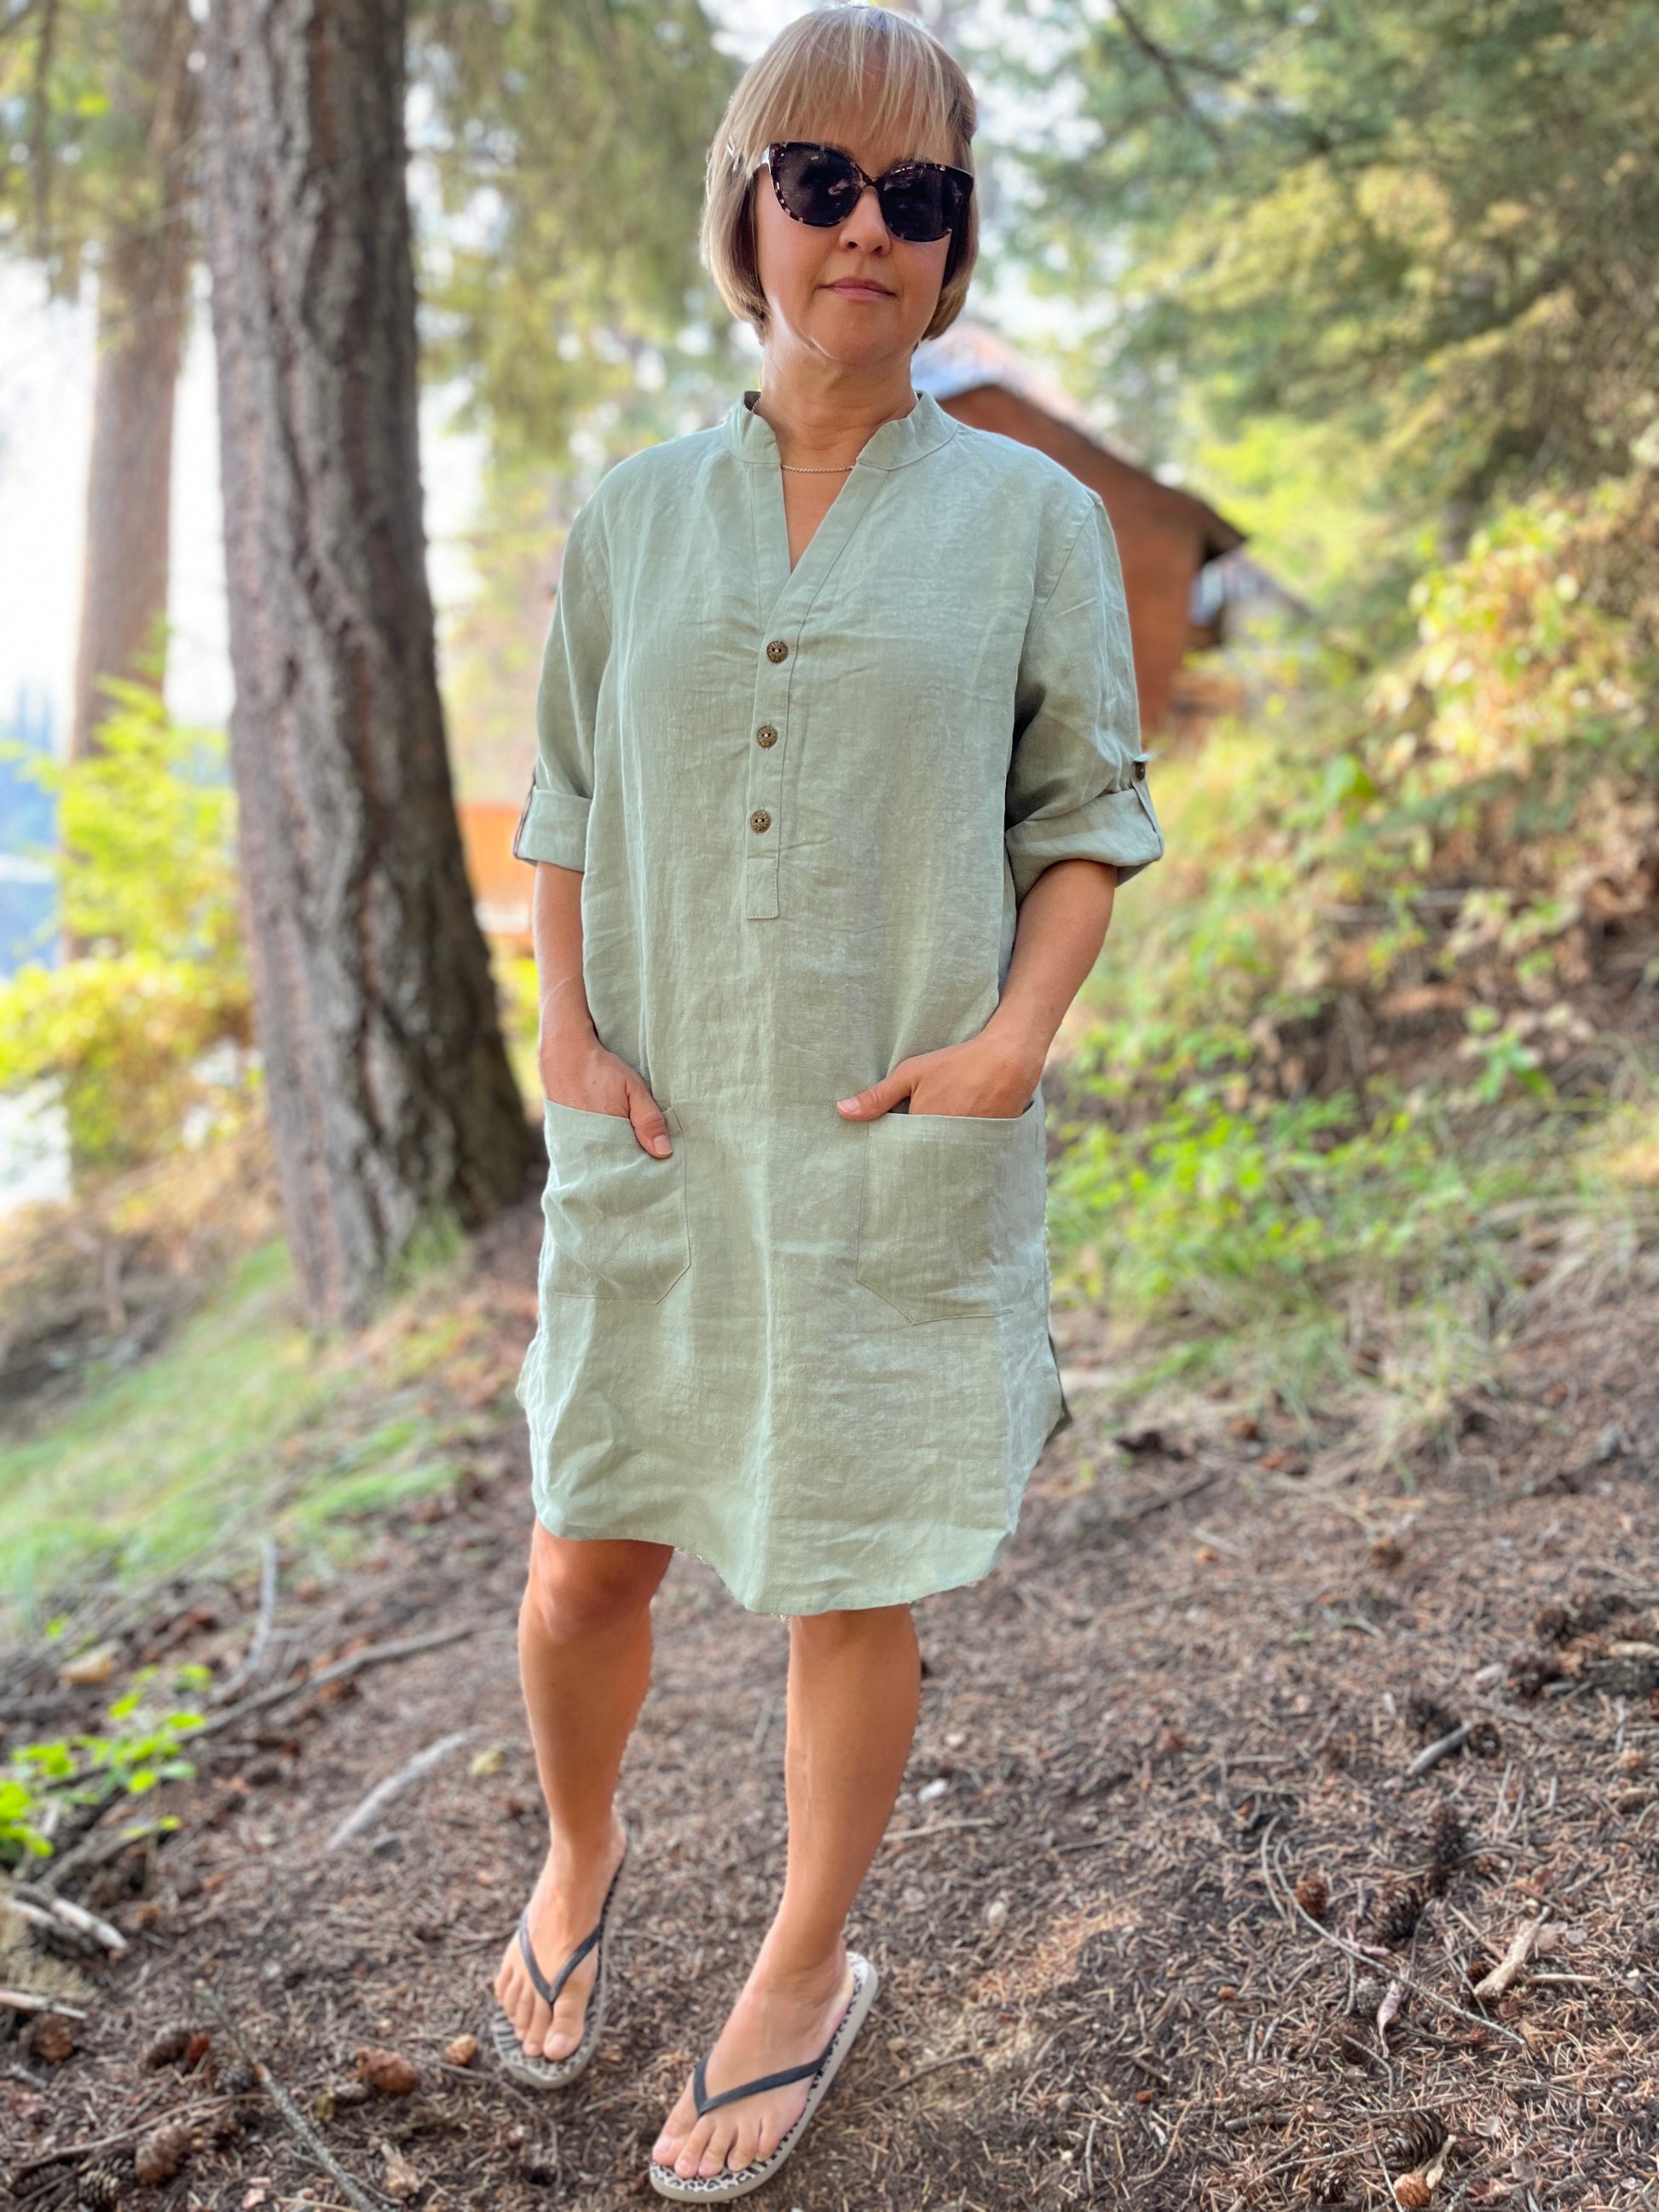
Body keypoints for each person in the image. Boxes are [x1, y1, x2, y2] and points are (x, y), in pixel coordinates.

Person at [488, 5, 1163, 2198]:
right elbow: (565, 800)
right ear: (750, 210)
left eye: (922, 196)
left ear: (957, 247)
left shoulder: (1031, 520)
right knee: (589, 1558)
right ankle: (579, 1853)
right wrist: (569, 1039)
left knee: (843, 1579)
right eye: (823, 181)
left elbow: (1084, 810)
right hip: (658, 1127)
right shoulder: (631, 513)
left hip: (888, 1125)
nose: (869, 229)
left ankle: (798, 1963)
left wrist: (1010, 1043)